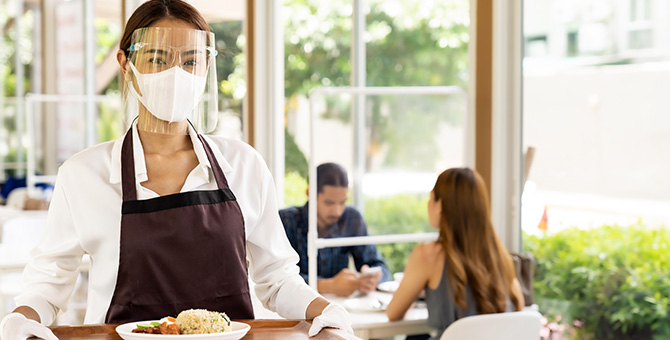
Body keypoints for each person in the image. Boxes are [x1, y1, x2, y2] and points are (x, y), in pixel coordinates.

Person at [0, 1, 351, 339]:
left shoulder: (244, 165)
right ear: (125, 64)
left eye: (191, 60)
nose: (176, 74)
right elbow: (49, 283)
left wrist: (324, 311)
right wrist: (19, 319)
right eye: (157, 58)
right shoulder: (83, 174)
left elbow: (276, 277)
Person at [386, 167, 524, 340]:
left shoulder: (428, 254)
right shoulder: (500, 257)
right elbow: (519, 310)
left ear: (440, 205)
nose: (428, 204)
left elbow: (393, 313)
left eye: (431, 198)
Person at [279, 163, 391, 297]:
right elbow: (278, 277)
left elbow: (379, 266)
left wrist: (372, 279)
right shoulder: (286, 220)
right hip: (295, 308)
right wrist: (329, 286)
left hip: (342, 307)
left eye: (342, 202)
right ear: (309, 193)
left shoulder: (352, 218)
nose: (337, 211)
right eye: (329, 203)